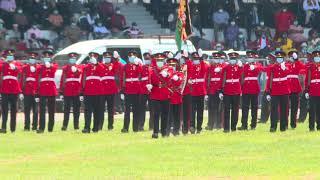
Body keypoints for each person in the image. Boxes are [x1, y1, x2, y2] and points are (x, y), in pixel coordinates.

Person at [148, 53, 172, 138]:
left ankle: (164, 131)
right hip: (155, 93)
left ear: (164, 60)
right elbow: (149, 78)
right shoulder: (152, 69)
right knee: (156, 114)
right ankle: (155, 132)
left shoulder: (168, 68)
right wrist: (149, 85)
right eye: (158, 60)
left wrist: (167, 75)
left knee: (165, 114)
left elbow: (171, 77)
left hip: (165, 93)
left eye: (161, 60)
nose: (159, 62)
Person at [266, 51, 291, 132]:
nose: (279, 59)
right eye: (278, 58)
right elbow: (270, 79)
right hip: (275, 91)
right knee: (274, 110)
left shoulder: (286, 66)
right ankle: (273, 127)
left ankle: (283, 127)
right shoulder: (272, 67)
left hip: (284, 91)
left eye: (281, 58)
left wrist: (284, 68)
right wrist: (268, 91)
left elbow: (289, 71)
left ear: (283, 58)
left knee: (284, 110)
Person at [239, 51, 263, 130]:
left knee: (254, 108)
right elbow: (242, 76)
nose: (249, 58)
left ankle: (253, 125)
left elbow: (260, 69)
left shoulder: (257, 65)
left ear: (254, 58)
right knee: (245, 108)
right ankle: (244, 125)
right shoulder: (245, 66)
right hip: (246, 88)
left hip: (254, 89)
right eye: (248, 57)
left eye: (251, 57)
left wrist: (255, 67)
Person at [0, 49, 21, 133]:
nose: (9, 56)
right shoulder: (2, 64)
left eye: (11, 55)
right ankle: (3, 128)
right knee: (4, 109)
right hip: (4, 89)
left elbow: (20, 70)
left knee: (13, 109)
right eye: (8, 55)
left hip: (14, 89)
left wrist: (14, 66)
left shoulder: (17, 64)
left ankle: (13, 128)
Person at [99, 51, 122, 131]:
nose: (107, 58)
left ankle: (110, 126)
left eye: (109, 57)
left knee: (111, 109)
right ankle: (99, 126)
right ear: (104, 58)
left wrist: (116, 59)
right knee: (101, 109)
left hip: (111, 90)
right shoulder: (101, 65)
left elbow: (120, 66)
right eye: (106, 57)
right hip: (102, 90)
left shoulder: (114, 65)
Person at [221, 52, 243, 132]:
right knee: (226, 110)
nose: (233, 60)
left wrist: (241, 67)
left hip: (236, 90)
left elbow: (241, 77)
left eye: (234, 59)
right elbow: (222, 79)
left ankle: (233, 127)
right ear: (229, 59)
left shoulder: (239, 67)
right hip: (227, 90)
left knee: (235, 110)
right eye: (232, 59)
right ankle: (226, 128)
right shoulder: (225, 68)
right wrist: (221, 90)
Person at [81, 52, 103, 133]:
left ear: (97, 57)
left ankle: (96, 127)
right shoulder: (86, 67)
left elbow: (103, 71)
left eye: (94, 56)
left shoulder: (100, 66)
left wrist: (96, 63)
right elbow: (83, 79)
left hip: (98, 92)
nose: (92, 57)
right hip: (88, 92)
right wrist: (82, 91)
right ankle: (87, 127)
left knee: (97, 111)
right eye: (91, 56)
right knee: (87, 111)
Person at [60, 52, 82, 131]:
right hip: (68, 91)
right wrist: (61, 91)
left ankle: (76, 125)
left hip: (76, 90)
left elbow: (80, 74)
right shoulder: (65, 68)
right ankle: (64, 125)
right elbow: (63, 79)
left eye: (74, 58)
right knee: (66, 109)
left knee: (76, 109)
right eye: (71, 58)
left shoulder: (79, 67)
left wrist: (76, 70)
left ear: (75, 59)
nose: (72, 59)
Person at [37, 49, 58, 133]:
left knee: (51, 110)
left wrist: (49, 65)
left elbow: (54, 70)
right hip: (42, 90)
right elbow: (38, 75)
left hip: (51, 90)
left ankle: (50, 128)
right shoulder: (40, 66)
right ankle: (41, 128)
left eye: (48, 56)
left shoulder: (54, 65)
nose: (46, 57)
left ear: (51, 57)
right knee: (42, 110)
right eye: (45, 56)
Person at [121, 51, 142, 133]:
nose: (131, 57)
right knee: (127, 111)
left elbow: (141, 73)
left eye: (133, 56)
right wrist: (122, 91)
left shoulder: (138, 65)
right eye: (130, 56)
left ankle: (135, 128)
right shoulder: (125, 66)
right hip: (128, 90)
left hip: (136, 90)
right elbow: (123, 78)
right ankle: (125, 128)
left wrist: (137, 64)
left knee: (136, 110)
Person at [189, 50, 208, 134]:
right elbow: (187, 68)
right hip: (193, 91)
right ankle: (192, 126)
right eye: (194, 58)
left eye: (197, 58)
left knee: (200, 111)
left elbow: (205, 68)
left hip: (201, 91)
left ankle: (199, 127)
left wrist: (201, 59)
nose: (196, 59)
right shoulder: (190, 66)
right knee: (192, 111)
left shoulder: (202, 65)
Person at [206, 52, 225, 130]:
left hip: (219, 90)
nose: (216, 60)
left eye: (217, 58)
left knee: (219, 108)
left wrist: (220, 69)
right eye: (214, 58)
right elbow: (207, 79)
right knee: (211, 108)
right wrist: (207, 92)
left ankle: (218, 124)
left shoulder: (223, 67)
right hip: (211, 90)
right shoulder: (210, 68)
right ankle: (210, 124)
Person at [21, 52, 40, 131]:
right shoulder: (25, 67)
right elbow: (23, 79)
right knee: (27, 110)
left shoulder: (39, 67)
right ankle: (27, 126)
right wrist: (22, 91)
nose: (32, 59)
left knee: (36, 110)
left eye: (34, 58)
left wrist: (39, 91)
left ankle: (35, 126)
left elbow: (39, 79)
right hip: (27, 91)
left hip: (36, 92)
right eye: (31, 58)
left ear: (36, 59)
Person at [287, 50, 305, 129]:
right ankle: (284, 123)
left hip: (295, 89)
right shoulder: (286, 65)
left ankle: (293, 124)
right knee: (285, 108)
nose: (291, 57)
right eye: (290, 56)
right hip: (286, 89)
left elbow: (302, 67)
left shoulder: (297, 64)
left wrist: (297, 60)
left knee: (294, 108)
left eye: (293, 56)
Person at [167, 57, 185, 136]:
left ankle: (176, 130)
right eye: (170, 64)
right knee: (168, 115)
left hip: (177, 97)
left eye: (173, 65)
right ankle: (167, 129)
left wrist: (176, 78)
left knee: (177, 115)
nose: (172, 66)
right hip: (169, 97)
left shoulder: (179, 73)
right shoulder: (166, 73)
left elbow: (180, 82)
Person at [305, 50, 320, 131]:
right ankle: (311, 127)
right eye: (315, 57)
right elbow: (307, 79)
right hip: (313, 91)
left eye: (318, 56)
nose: (317, 58)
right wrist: (307, 90)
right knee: (312, 110)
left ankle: (319, 126)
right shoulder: (310, 67)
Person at [139, 52, 153, 131]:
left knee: (152, 109)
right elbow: (139, 78)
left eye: (148, 59)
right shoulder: (141, 67)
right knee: (142, 110)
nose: (147, 60)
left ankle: (152, 126)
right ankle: (141, 125)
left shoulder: (153, 67)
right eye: (145, 59)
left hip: (152, 91)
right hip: (143, 91)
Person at [180, 50, 192, 135]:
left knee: (187, 111)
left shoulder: (189, 66)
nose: (183, 59)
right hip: (178, 92)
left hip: (187, 91)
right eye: (182, 58)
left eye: (184, 58)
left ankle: (186, 128)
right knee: (179, 111)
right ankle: (179, 127)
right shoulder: (178, 66)